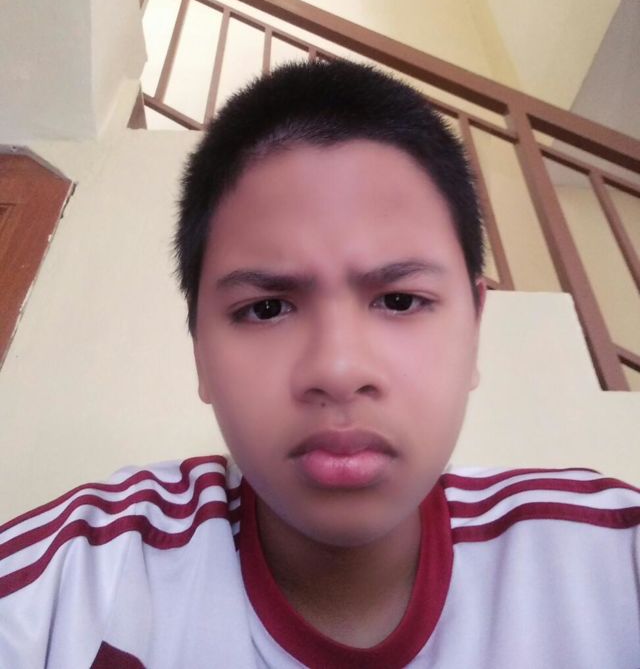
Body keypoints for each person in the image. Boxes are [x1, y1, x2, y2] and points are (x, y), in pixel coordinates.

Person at [0, 60, 638, 668]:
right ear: (200, 354)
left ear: (474, 328)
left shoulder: (611, 561)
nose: (337, 369)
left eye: (399, 300)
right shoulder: (69, 593)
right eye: (267, 308)